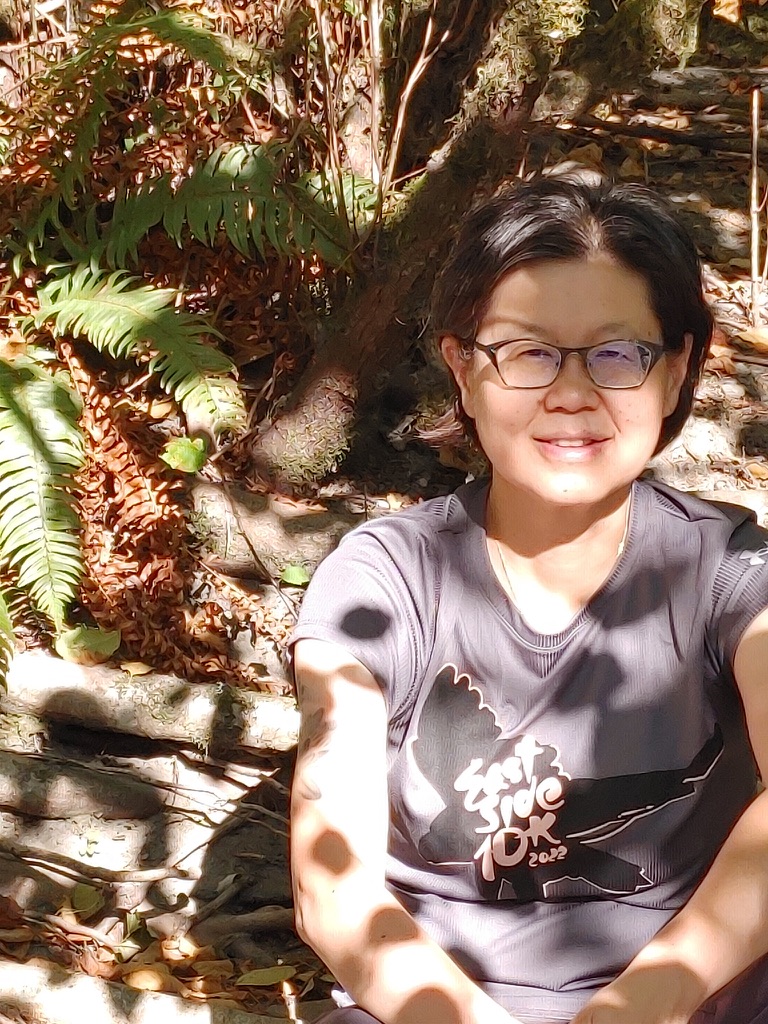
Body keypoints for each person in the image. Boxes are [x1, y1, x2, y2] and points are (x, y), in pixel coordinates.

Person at [288, 178, 768, 1024]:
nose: (572, 394)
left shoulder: (728, 571)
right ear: (463, 369)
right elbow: (332, 880)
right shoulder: (384, 581)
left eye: (619, 354)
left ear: (679, 368)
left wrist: (635, 1009)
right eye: (526, 351)